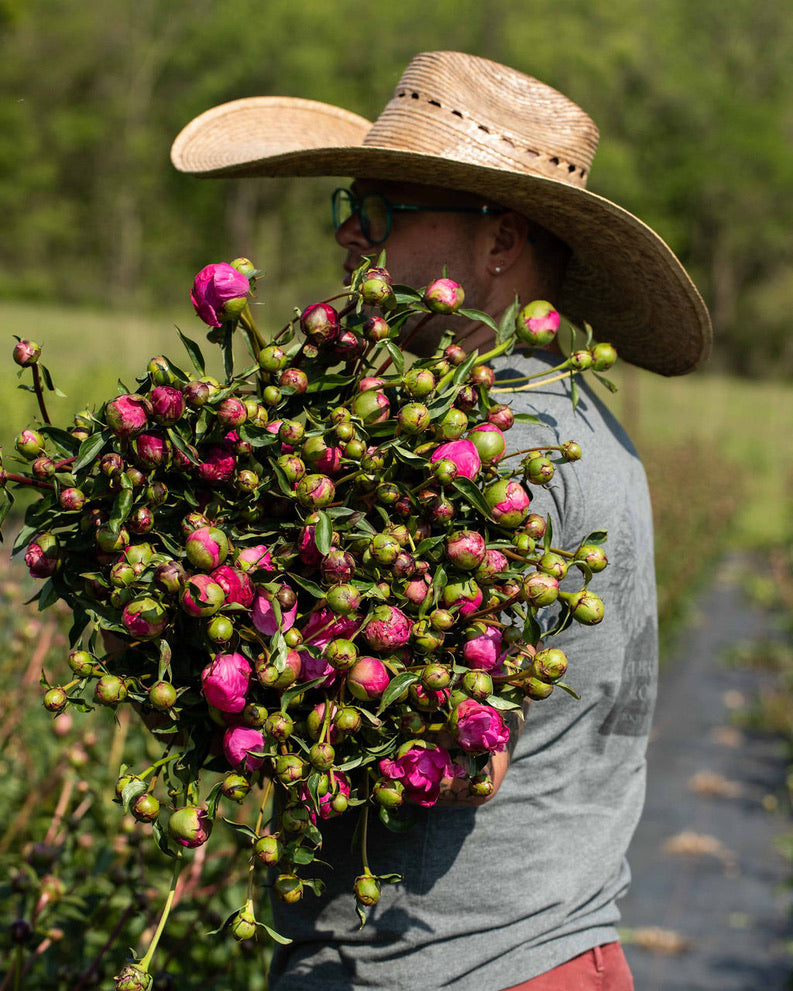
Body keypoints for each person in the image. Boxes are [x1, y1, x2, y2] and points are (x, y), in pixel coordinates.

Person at [171, 51, 712, 990]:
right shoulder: (562, 423)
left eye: (377, 213)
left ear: (497, 242)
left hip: (471, 965)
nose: (349, 238)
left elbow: (423, 737)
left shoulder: (496, 453)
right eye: (348, 207)